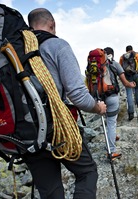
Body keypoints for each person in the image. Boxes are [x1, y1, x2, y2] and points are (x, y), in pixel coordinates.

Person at [26, 8, 107, 199]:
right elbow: (77, 94)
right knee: (87, 172)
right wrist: (97, 108)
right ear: (52, 24)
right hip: (56, 126)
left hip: (25, 131)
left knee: (51, 191)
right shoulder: (57, 45)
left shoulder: (20, 49)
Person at [103, 47, 136, 159]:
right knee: (112, 121)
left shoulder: (97, 66)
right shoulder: (115, 64)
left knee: (107, 120)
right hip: (111, 96)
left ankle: (111, 138)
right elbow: (125, 82)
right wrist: (131, 84)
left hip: (98, 98)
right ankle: (111, 151)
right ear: (112, 54)